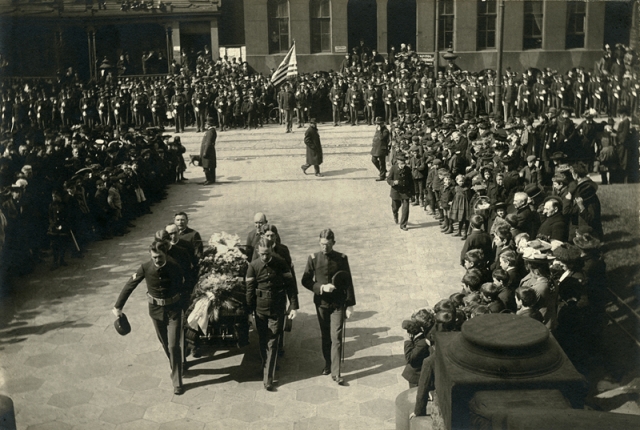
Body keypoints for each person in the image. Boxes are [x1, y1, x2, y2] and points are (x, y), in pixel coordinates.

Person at [112, 241, 185, 395]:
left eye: (159, 257)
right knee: (165, 343)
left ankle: (177, 381)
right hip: (156, 311)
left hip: (174, 311)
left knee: (173, 345)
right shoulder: (145, 267)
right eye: (154, 257)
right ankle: (176, 365)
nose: (157, 260)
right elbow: (130, 285)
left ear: (165, 254)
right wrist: (118, 306)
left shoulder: (175, 266)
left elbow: (184, 286)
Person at [301, 229, 356, 385]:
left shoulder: (342, 258)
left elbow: (348, 281)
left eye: (327, 244)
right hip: (322, 304)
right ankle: (328, 363)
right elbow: (305, 280)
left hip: (338, 303)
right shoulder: (313, 258)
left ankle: (336, 373)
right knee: (326, 337)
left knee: (336, 337)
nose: (324, 247)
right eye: (322, 244)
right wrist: (321, 288)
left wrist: (350, 305)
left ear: (333, 243)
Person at [246, 237, 298, 391]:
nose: (265, 257)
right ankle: (265, 363)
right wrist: (249, 312)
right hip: (260, 309)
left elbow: (291, 286)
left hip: (277, 308)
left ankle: (268, 377)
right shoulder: (253, 267)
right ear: (257, 252)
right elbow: (249, 292)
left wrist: (293, 306)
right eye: (262, 254)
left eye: (267, 254)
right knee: (263, 339)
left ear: (272, 250)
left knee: (273, 341)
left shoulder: (281, 263)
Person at [387, 154, 414, 231]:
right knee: (395, 207)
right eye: (401, 164)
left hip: (405, 192)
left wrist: (413, 193)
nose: (402, 165)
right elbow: (388, 179)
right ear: (398, 162)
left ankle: (403, 224)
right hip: (396, 191)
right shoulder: (393, 168)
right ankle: (395, 214)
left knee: (406, 209)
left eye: (404, 163)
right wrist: (393, 182)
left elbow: (411, 182)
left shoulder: (408, 170)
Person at [199, 116, 217, 185]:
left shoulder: (210, 132)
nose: (205, 125)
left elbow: (208, 142)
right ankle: (212, 179)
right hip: (210, 150)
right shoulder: (211, 131)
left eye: (206, 124)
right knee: (211, 166)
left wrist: (205, 152)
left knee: (206, 166)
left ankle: (209, 179)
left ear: (209, 124)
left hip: (207, 151)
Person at [371, 117, 390, 181]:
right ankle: (383, 171)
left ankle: (382, 176)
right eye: (377, 124)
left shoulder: (385, 131)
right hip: (376, 148)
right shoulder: (378, 130)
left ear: (382, 124)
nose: (377, 125)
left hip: (382, 148)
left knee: (382, 162)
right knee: (374, 160)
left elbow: (381, 138)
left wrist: (379, 131)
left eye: (379, 124)